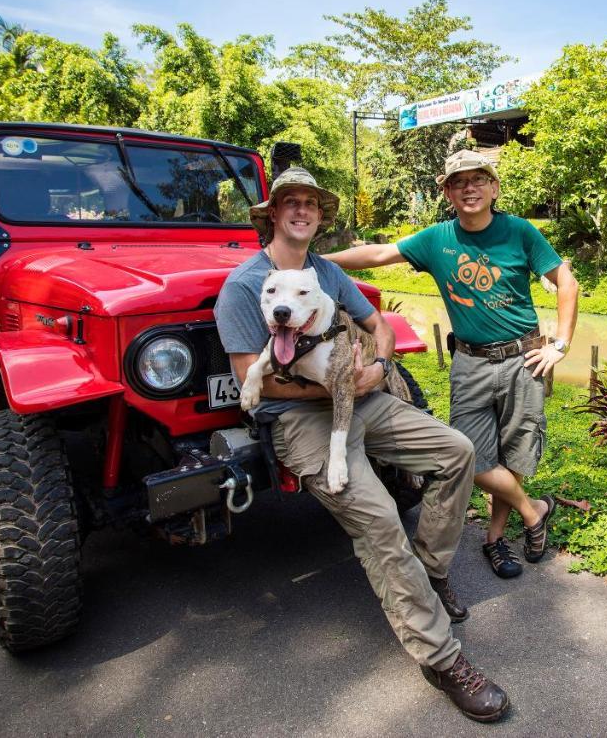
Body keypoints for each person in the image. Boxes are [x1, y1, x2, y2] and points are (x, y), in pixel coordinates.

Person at [214, 167, 510, 723]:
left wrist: (377, 364)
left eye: (311, 204)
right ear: (272, 215)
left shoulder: (325, 273)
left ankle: (431, 570)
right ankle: (443, 658)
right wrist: (339, 384)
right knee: (378, 520)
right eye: (289, 203)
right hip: (301, 416)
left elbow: (381, 326)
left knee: (457, 452)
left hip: (364, 397)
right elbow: (255, 381)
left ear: (320, 217)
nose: (301, 211)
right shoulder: (246, 285)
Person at [326, 150, 579, 580]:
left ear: (494, 188)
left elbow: (566, 281)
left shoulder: (519, 232)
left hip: (524, 359)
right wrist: (315, 262)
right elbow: (377, 254)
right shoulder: (436, 239)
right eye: (459, 182)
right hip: (469, 363)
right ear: (447, 192)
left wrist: (561, 344)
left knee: (512, 457)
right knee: (470, 458)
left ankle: (495, 540)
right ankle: (533, 509)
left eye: (479, 179)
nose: (470, 188)